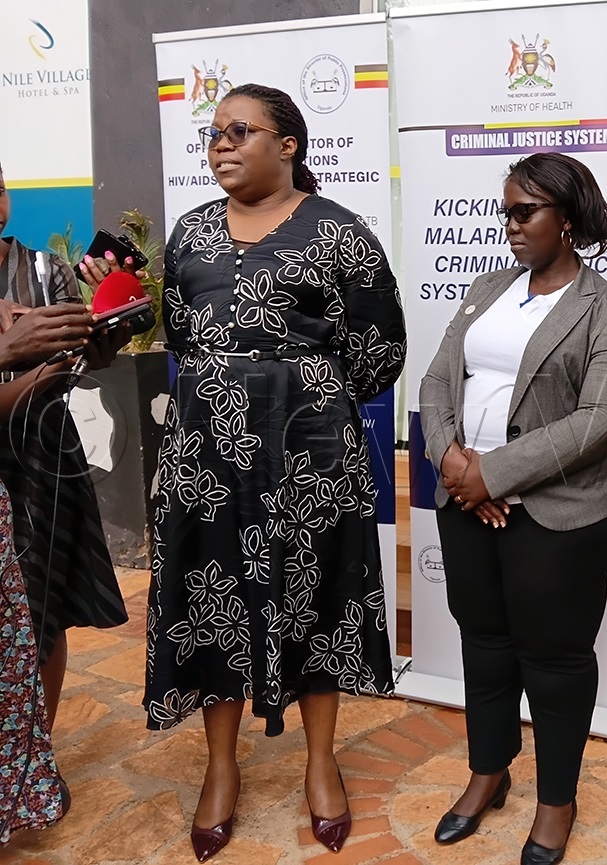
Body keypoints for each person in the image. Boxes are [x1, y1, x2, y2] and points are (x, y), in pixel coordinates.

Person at [144, 83, 405, 862]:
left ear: (287, 143)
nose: (221, 142)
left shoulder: (340, 233)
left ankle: (321, 762)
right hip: (207, 459)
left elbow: (379, 350)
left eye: (239, 130)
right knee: (210, 595)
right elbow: (182, 336)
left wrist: (301, 392)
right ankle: (220, 768)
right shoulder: (189, 234)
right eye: (213, 131)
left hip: (310, 457)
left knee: (317, 593)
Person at [420, 152, 607, 865]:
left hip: (560, 516)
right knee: (483, 643)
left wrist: (494, 476)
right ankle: (489, 770)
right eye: (507, 210)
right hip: (467, 504)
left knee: (553, 660)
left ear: (569, 219)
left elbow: (601, 420)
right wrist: (456, 465)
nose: (510, 224)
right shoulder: (488, 288)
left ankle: (557, 801)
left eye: (526, 212)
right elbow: (435, 381)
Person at [0, 162, 132, 817]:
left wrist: (101, 334)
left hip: (38, 467)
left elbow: (77, 366)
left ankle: (31, 760)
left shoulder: (45, 274)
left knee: (40, 615)